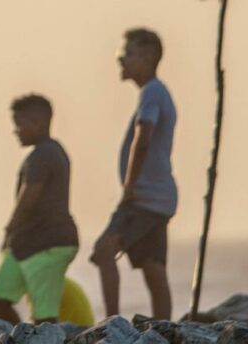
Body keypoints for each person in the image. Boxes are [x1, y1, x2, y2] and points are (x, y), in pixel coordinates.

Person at [90, 28, 176, 320]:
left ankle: (112, 324)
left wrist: (129, 186)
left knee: (103, 252)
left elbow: (143, 137)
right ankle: (165, 328)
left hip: (144, 197)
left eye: (126, 54)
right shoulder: (156, 92)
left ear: (148, 57)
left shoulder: (152, 92)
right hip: (159, 197)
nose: (121, 61)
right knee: (153, 267)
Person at [0, 95, 79, 324]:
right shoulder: (46, 152)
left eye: (19, 124)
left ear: (37, 122)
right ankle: (22, 338)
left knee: (44, 317)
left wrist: (9, 228)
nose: (15, 131)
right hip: (26, 243)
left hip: (48, 245)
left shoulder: (44, 154)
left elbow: (28, 198)